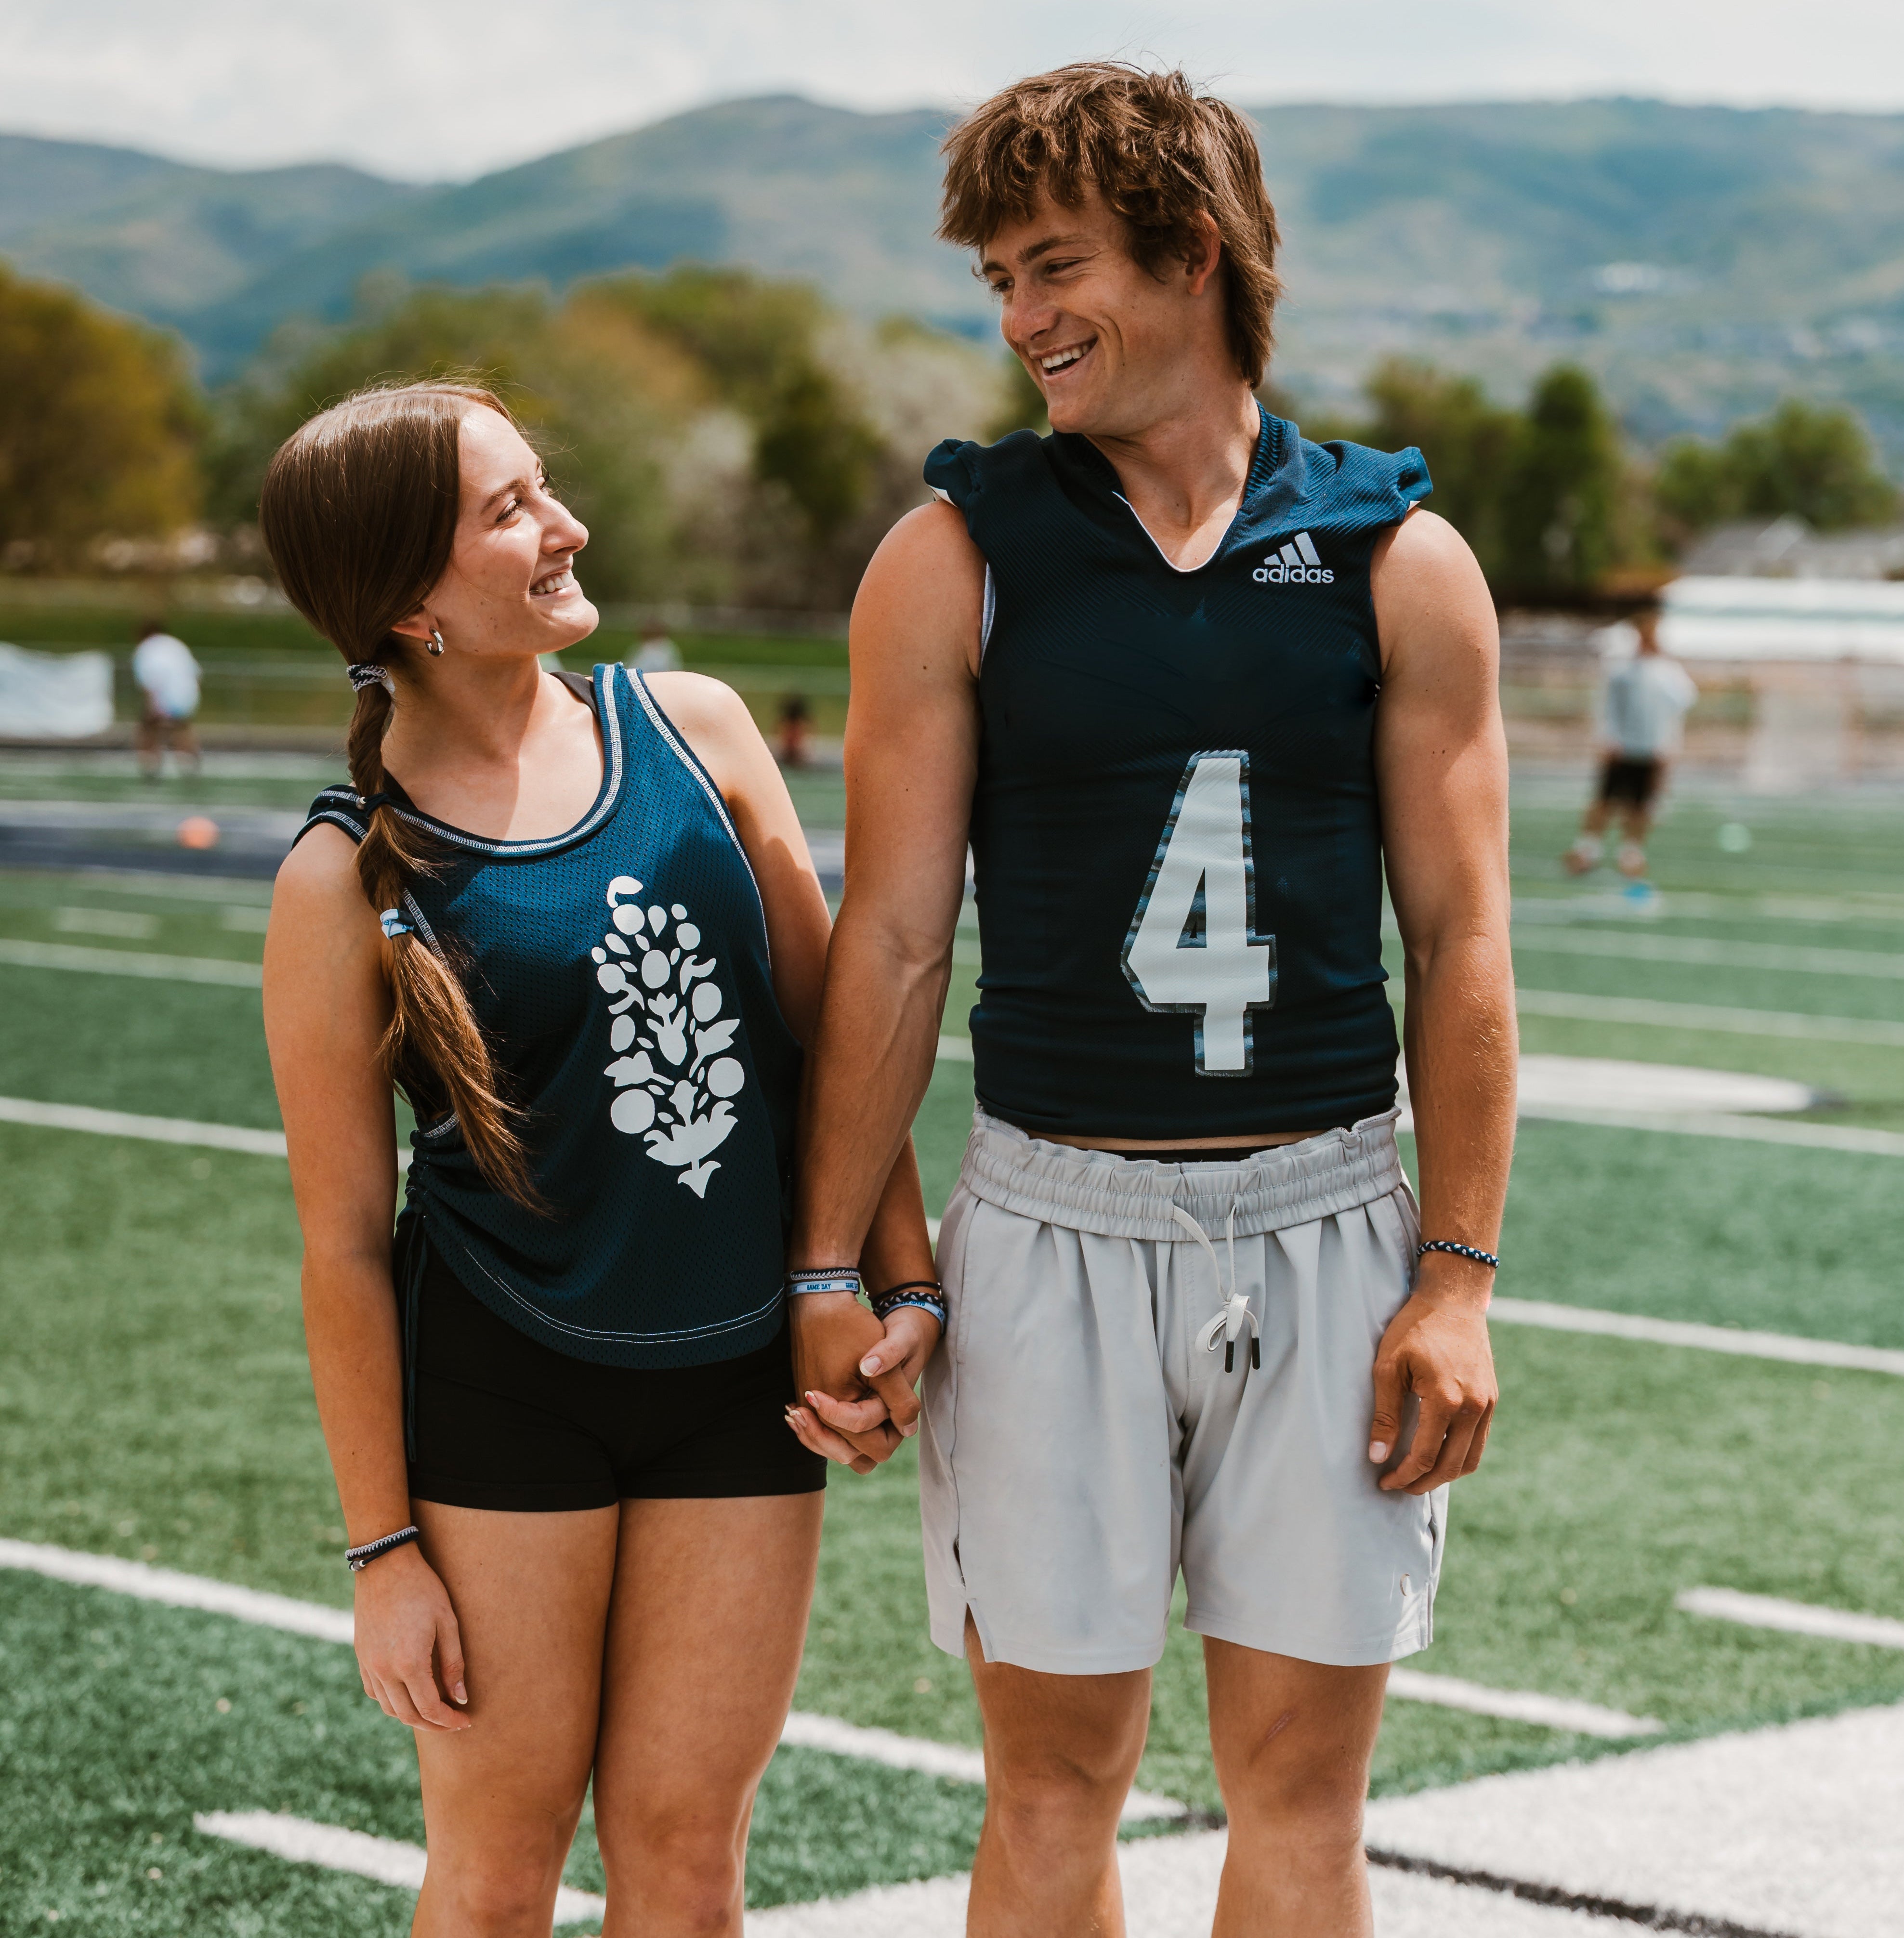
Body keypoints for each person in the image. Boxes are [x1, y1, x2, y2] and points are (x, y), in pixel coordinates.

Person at [782, 64, 1514, 1938]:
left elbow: (1459, 947)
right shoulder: (954, 552)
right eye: (1000, 286)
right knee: (1047, 1795)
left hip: (1329, 1215)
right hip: (1048, 1220)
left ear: (1192, 252)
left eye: (1053, 268)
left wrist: (1454, 1273)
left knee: (1300, 1802)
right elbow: (888, 940)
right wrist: (823, 1270)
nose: (1022, 322)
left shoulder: (1394, 556)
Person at [258, 380, 932, 1934]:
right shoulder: (340, 876)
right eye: (508, 510)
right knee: (496, 1877)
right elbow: (345, 1242)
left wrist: (898, 1281)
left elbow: (838, 1046)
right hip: (503, 1395)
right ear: (404, 599)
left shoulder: (692, 730)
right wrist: (384, 1553)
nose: (564, 526)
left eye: (542, 486)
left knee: (688, 1864)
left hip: (737, 1385)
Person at [1564, 602, 1698, 879]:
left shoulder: (1667, 670)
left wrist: (1669, 745)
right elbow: (1610, 705)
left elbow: (1684, 701)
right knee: (1606, 800)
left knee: (1642, 804)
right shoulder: (1623, 667)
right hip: (1623, 746)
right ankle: (1588, 849)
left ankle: (1631, 852)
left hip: (1653, 748)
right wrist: (1609, 738)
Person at [131, 619, 201, 777]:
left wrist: (152, 706)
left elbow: (150, 682)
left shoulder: (146, 649)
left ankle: (150, 764)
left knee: (148, 728)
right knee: (182, 728)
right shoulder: (176, 645)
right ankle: (189, 763)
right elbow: (196, 674)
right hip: (188, 697)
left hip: (164, 697)